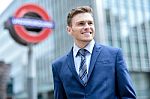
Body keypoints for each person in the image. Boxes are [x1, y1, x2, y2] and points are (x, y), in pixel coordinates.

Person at [52, 6, 136, 99]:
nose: (87, 27)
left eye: (90, 23)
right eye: (81, 23)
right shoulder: (58, 66)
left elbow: (128, 96)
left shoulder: (114, 55)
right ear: (69, 30)